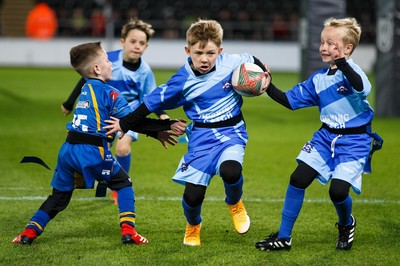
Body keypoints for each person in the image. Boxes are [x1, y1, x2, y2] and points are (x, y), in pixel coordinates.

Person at [104, 19, 271, 246]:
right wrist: (124, 124)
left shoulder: (231, 62)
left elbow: (251, 59)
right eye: (199, 52)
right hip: (200, 138)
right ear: (188, 50)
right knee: (193, 196)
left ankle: (235, 203)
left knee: (231, 171)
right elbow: (148, 105)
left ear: (220, 51)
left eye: (211, 53)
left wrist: (263, 75)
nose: (205, 59)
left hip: (232, 132)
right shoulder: (181, 81)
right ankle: (193, 225)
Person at [12, 41, 186, 246]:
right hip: (92, 151)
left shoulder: (85, 88)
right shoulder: (110, 93)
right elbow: (132, 121)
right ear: (96, 68)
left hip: (68, 150)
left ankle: (28, 234)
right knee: (123, 184)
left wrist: (156, 133)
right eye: (107, 60)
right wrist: (163, 127)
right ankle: (129, 232)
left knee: (59, 198)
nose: (111, 64)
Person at [255, 17, 383, 251]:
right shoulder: (318, 80)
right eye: (322, 42)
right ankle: (284, 237)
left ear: (347, 49)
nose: (324, 47)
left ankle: (346, 224)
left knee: (337, 191)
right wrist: (267, 85)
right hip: (325, 138)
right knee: (298, 178)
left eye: (331, 43)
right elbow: (290, 101)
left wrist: (343, 63)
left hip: (355, 141)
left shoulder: (352, 72)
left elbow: (362, 88)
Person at [61, 18, 169, 202]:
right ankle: (100, 175)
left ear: (146, 47)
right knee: (100, 150)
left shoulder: (145, 71)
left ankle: (119, 187)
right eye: (133, 41)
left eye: (142, 43)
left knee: (123, 148)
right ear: (123, 42)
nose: (137, 46)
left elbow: (151, 96)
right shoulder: (107, 60)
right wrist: (70, 102)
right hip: (103, 114)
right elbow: (85, 79)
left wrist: (162, 114)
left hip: (128, 115)